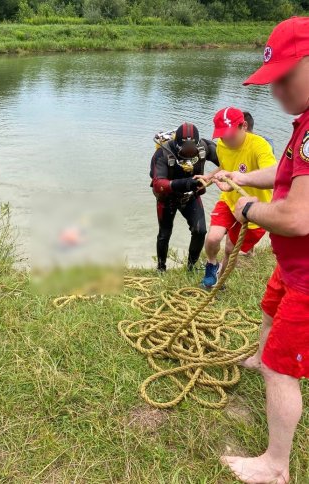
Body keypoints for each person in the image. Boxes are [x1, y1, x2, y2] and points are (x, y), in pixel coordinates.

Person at [213, 16, 309, 484]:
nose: (275, 90)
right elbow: (287, 174)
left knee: (282, 370)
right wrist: (243, 179)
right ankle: (258, 355)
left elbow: (298, 217)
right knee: (268, 306)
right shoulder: (304, 124)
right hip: (293, 267)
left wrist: (248, 209)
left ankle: (275, 466)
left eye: (285, 76)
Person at [197, 107, 277, 288]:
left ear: (244, 126)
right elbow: (225, 166)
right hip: (229, 199)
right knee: (212, 239)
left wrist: (241, 178)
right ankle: (211, 264)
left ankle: (219, 281)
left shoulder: (260, 146)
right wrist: (210, 176)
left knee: (229, 249)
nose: (226, 140)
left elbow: (275, 175)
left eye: (231, 135)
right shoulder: (222, 146)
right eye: (222, 136)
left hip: (254, 208)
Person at [150, 123, 218, 272]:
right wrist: (186, 183)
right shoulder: (163, 153)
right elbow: (157, 183)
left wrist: (214, 177)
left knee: (200, 231)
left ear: (197, 144)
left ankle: (191, 267)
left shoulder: (204, 147)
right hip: (167, 198)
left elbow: (228, 160)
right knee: (164, 233)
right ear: (176, 144)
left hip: (191, 196)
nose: (188, 152)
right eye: (184, 149)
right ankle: (161, 268)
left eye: (191, 149)